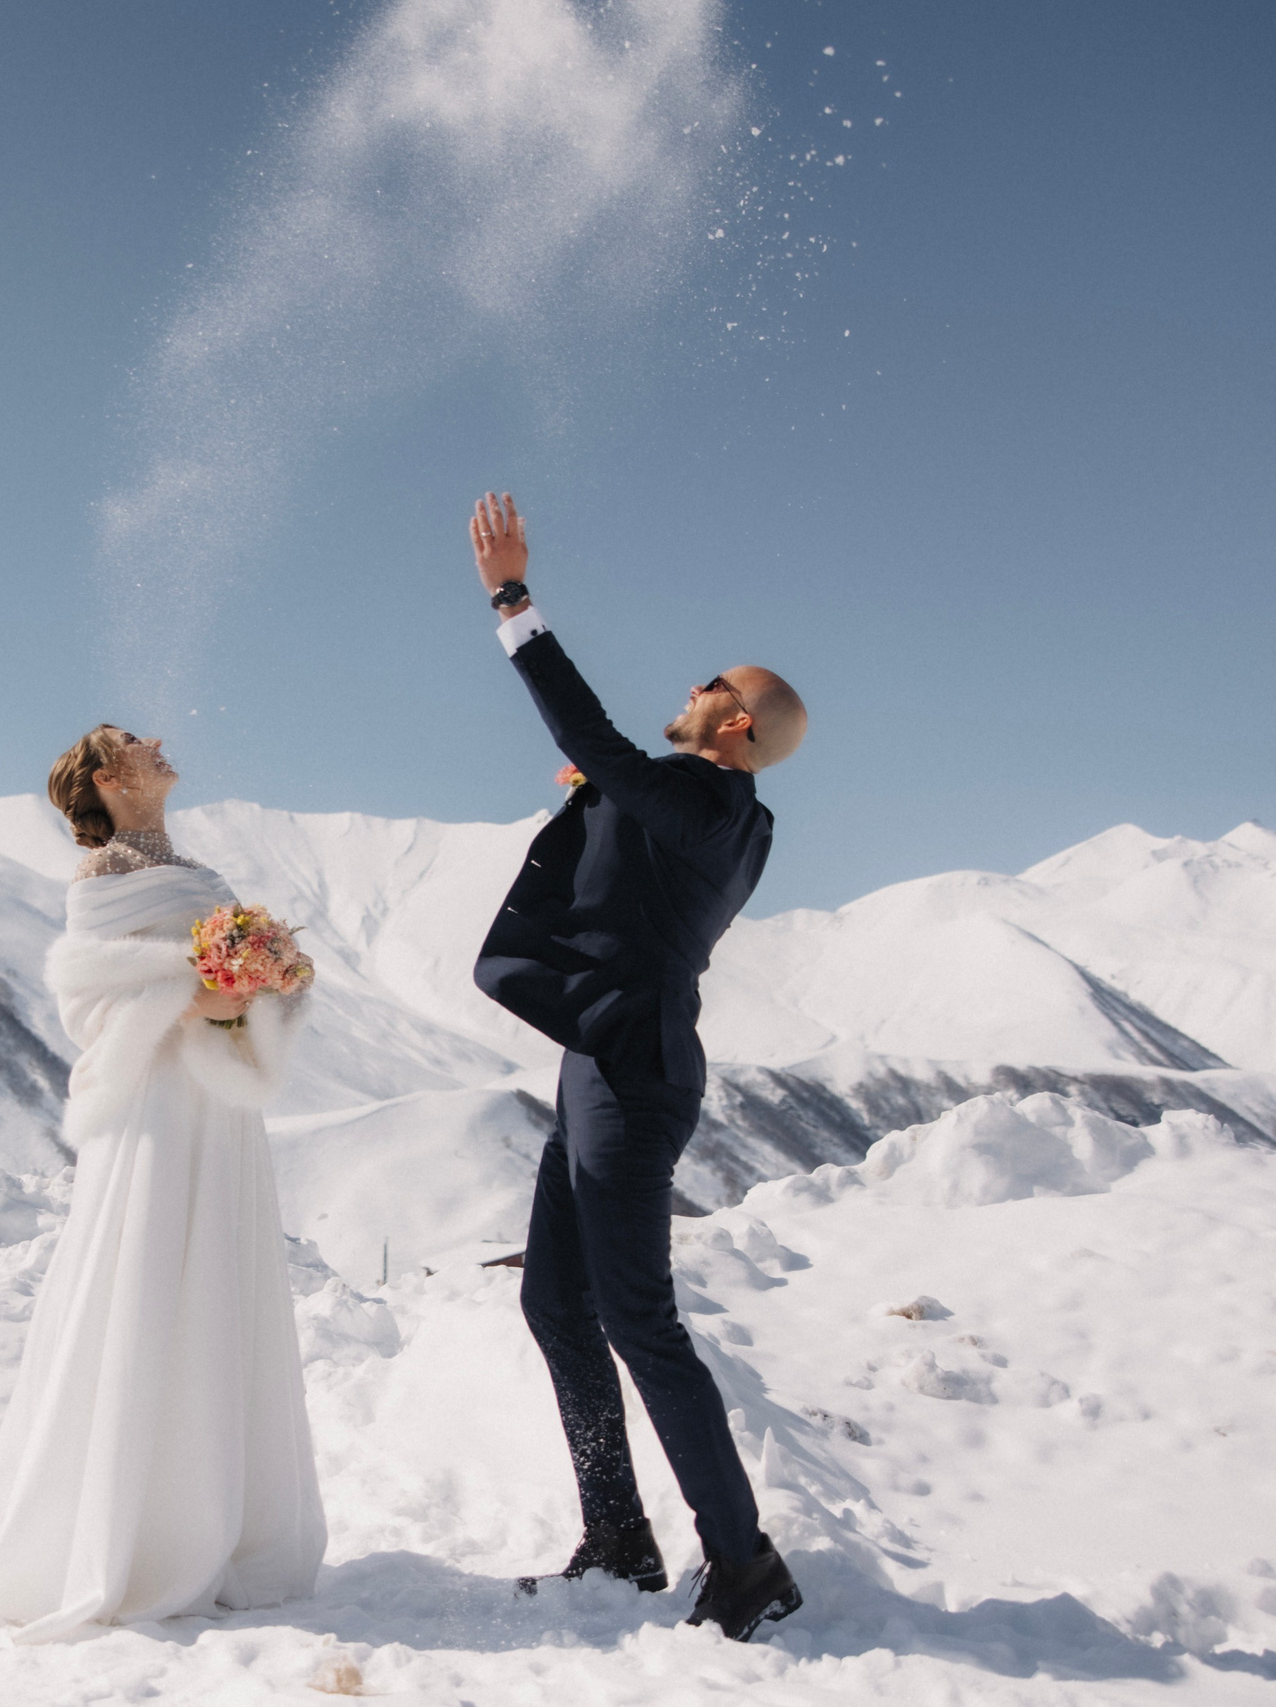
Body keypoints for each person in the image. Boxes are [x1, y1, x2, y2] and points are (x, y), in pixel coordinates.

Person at [464, 491, 811, 1642]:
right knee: (554, 1301)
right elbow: (613, 800)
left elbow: (598, 741)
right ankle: (617, 1536)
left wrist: (514, 602)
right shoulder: (711, 812)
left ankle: (745, 1560)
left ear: (735, 727)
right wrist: (595, 802)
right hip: (598, 1065)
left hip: (632, 1075)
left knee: (637, 1318)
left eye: (712, 683)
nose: (694, 684)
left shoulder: (712, 804)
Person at [0, 725, 326, 1642]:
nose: (158, 742)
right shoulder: (101, 875)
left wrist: (269, 985)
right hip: (156, 1103)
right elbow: (88, 997)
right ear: (108, 779)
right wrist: (190, 993)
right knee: (147, 1277)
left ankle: (216, 1518)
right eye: (132, 742)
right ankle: (133, 1530)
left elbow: (222, 988)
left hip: (217, 1105)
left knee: (219, 1283)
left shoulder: (198, 872)